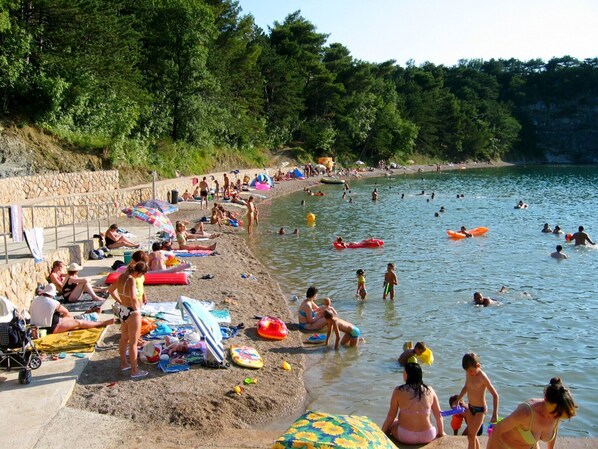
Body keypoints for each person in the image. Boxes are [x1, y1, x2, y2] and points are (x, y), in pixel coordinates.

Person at [487, 377, 576, 449]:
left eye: (560, 413)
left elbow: (554, 430)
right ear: (546, 399)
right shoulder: (526, 412)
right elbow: (496, 430)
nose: (556, 416)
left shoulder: (558, 412)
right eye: (556, 412)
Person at [381, 362, 444, 444]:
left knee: (393, 423)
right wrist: (441, 433)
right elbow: (439, 415)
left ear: (407, 375)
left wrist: (382, 433)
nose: (403, 374)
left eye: (404, 372)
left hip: (406, 436)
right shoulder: (430, 390)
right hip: (428, 435)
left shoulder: (398, 391)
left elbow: (391, 415)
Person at [110, 261, 149, 378]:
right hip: (132, 312)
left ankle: (124, 363)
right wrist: (137, 308)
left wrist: (120, 301)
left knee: (124, 338)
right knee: (133, 343)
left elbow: (110, 290)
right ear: (139, 272)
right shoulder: (131, 279)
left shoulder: (121, 276)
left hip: (123, 310)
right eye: (141, 275)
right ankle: (134, 370)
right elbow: (133, 296)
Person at [29, 284, 114, 335]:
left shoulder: (35, 300)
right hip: (51, 328)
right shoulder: (53, 302)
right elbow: (66, 312)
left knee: (71, 319)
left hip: (36, 327)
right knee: (78, 322)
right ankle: (102, 323)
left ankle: (91, 316)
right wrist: (67, 318)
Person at [456, 353, 499, 449]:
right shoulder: (468, 372)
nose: (469, 373)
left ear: (478, 366)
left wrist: (494, 414)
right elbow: (466, 387)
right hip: (470, 407)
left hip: (480, 410)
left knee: (471, 436)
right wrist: (458, 399)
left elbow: (495, 395)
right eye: (467, 371)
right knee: (472, 436)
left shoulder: (482, 377)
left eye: (471, 371)